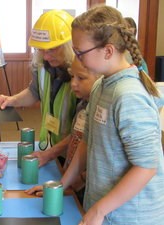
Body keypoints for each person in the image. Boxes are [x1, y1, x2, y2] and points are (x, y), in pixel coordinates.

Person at [47, 5, 164, 225]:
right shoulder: (101, 86)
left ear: (108, 51)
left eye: (80, 53)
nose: (77, 58)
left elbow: (146, 166)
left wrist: (100, 210)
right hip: (105, 208)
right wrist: (62, 185)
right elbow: (86, 141)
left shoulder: (129, 96)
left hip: (130, 216)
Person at [0, 10, 77, 158]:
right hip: (50, 145)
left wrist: (50, 154)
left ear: (69, 45)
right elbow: (34, 92)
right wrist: (12, 100)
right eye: (41, 50)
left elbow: (82, 132)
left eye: (52, 49)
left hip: (73, 153)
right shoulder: (43, 66)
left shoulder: (82, 76)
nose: (46, 56)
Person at [26, 57, 101, 205]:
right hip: (72, 181)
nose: (73, 84)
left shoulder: (100, 111)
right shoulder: (84, 105)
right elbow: (79, 140)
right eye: (72, 76)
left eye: (81, 78)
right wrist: (62, 185)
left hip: (86, 189)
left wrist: (79, 180)